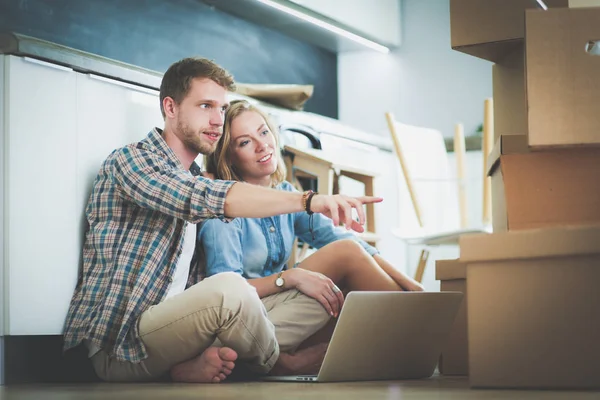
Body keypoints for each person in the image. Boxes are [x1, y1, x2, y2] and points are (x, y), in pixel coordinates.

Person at [62, 57, 382, 384]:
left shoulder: (200, 176)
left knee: (324, 294)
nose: (217, 120)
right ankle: (283, 364)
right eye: (205, 106)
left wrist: (296, 277)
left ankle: (202, 365)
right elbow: (202, 197)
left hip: (191, 332)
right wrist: (310, 200)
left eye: (222, 109)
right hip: (123, 344)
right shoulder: (132, 161)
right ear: (170, 107)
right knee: (229, 287)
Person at [199, 100, 424, 324]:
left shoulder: (286, 193)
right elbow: (225, 291)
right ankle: (413, 326)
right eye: (245, 142)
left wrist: (410, 284)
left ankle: (411, 321)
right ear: (228, 157)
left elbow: (341, 239)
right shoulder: (222, 208)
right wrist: (288, 277)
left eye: (264, 132)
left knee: (350, 289)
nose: (262, 145)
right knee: (345, 254)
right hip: (246, 314)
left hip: (279, 303)